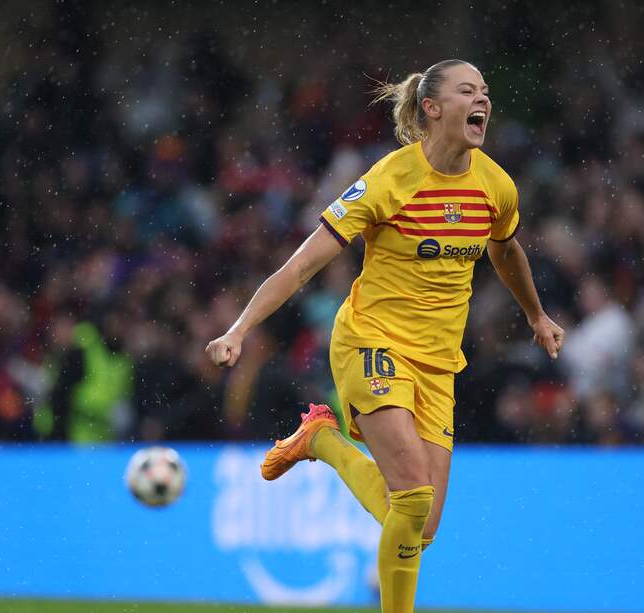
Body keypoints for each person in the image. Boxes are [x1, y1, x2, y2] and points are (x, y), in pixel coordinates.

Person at [206, 59, 564, 613]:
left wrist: (536, 315)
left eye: (485, 92)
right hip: (372, 342)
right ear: (432, 107)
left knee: (422, 526)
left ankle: (321, 441)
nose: (482, 100)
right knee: (413, 496)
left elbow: (506, 249)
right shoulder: (388, 180)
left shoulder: (496, 185)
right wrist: (239, 329)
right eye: (467, 91)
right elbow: (302, 266)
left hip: (438, 363)